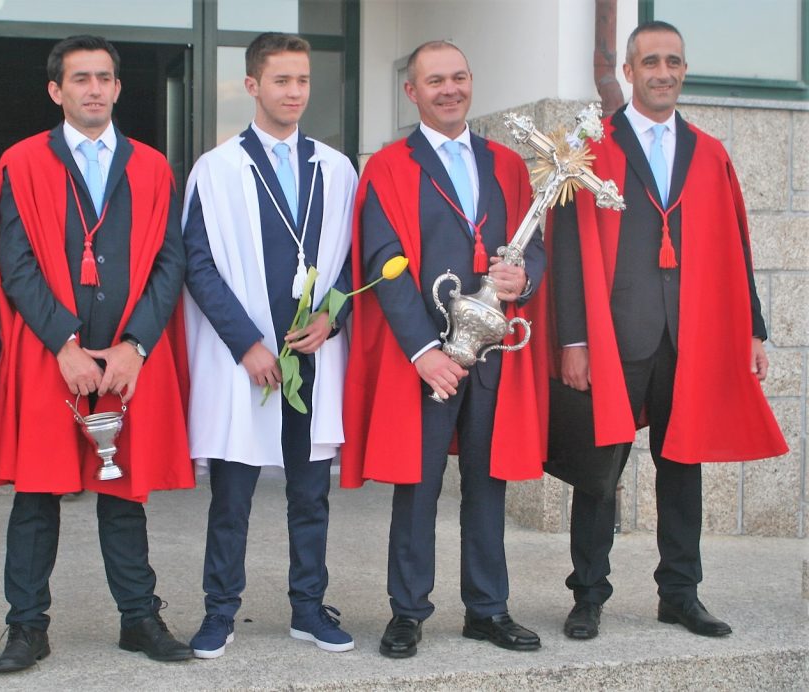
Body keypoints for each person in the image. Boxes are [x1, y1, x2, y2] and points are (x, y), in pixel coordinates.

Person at [549, 20, 787, 641]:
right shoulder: (591, 149)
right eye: (650, 62)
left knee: (683, 466)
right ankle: (588, 595)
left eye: (673, 62)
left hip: (691, 336)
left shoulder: (709, 152)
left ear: (684, 70)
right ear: (628, 71)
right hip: (615, 335)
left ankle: (680, 593)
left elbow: (735, 245)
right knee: (599, 471)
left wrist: (752, 329)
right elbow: (568, 248)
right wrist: (573, 340)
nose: (663, 72)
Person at [0, 34, 194, 672]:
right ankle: (26, 627)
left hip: (127, 358)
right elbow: (15, 263)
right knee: (36, 495)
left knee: (124, 492)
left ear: (118, 87)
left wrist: (136, 345)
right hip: (52, 354)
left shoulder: (151, 166)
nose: (95, 89)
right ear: (57, 90)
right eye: (81, 78)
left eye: (104, 77)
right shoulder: (22, 162)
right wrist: (64, 344)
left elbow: (170, 263)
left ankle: (139, 618)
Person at [341, 40, 548, 659]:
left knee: (488, 484)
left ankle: (487, 609)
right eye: (435, 80)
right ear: (412, 91)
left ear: (471, 81)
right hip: (427, 358)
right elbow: (384, 265)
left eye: (458, 77)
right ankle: (408, 611)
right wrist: (422, 352)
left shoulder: (506, 164)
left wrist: (523, 278)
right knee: (419, 486)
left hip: (493, 355)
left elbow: (535, 245)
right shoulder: (388, 167)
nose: (449, 89)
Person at [182, 32, 358, 659]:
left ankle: (308, 609)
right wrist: (246, 345)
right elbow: (198, 264)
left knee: (310, 495)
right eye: (281, 80)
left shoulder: (336, 168)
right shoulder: (217, 169)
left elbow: (354, 257)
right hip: (246, 362)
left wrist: (332, 317)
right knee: (231, 498)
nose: (294, 92)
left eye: (302, 80)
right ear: (252, 85)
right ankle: (219, 612)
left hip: (313, 356)